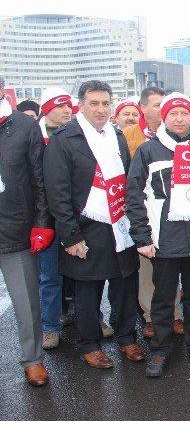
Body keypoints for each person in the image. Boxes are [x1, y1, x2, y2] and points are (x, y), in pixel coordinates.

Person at [44, 80, 143, 369]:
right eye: (93, 103)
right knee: (88, 291)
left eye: (105, 103)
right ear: (81, 105)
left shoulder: (116, 134)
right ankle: (89, 345)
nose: (100, 109)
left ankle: (126, 337)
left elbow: (127, 177)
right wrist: (70, 236)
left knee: (125, 284)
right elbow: (58, 194)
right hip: (86, 228)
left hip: (120, 225)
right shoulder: (65, 139)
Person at [126, 92, 190, 378]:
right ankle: (160, 348)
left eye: (184, 113)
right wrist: (142, 237)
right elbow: (135, 197)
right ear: (163, 117)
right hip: (164, 239)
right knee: (163, 298)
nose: (179, 119)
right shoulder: (148, 151)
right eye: (173, 114)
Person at [0, 77, 52, 386]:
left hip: (15, 226)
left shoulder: (22, 125)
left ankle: (32, 359)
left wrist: (41, 223)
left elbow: (39, 179)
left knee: (26, 301)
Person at [124, 87, 183, 339]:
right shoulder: (128, 137)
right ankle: (150, 316)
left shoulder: (179, 137)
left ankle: (175, 314)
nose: (163, 110)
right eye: (158, 105)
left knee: (174, 267)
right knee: (147, 270)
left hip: (176, 214)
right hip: (147, 214)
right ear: (143, 108)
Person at [36, 88, 73, 350]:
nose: (66, 111)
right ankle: (50, 326)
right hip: (45, 217)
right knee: (49, 276)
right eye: (60, 106)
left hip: (73, 214)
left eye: (69, 106)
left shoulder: (74, 135)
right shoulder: (33, 136)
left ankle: (93, 319)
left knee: (86, 274)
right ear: (47, 109)